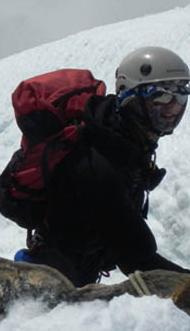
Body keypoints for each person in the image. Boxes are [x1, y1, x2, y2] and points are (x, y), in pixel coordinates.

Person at [23, 46, 190, 287]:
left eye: (180, 97)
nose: (173, 109)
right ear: (131, 97)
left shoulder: (117, 133)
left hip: (69, 269)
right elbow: (138, 258)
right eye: (162, 97)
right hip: (56, 284)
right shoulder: (99, 164)